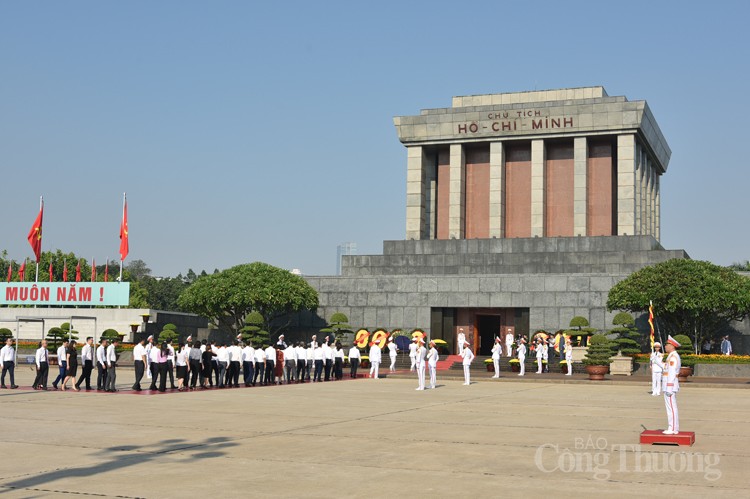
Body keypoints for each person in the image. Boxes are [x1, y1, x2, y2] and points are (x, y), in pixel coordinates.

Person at [662, 335, 682, 434]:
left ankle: (673, 428)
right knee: (670, 407)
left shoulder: (673, 357)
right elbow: (666, 369)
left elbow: (672, 373)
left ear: (672, 346)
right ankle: (673, 427)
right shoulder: (671, 356)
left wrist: (669, 387)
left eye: (667, 345)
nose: (665, 346)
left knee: (671, 408)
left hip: (670, 386)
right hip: (668, 385)